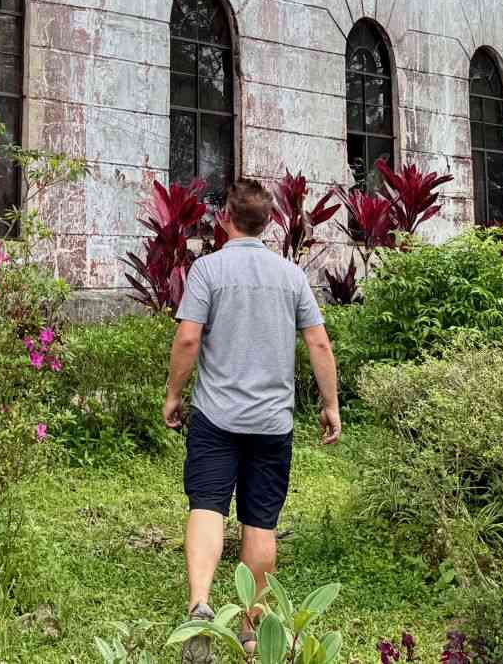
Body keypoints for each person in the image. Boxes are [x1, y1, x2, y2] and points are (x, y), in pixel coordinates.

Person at [162, 177, 341, 660]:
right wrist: (330, 405)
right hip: (271, 423)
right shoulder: (291, 276)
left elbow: (188, 339)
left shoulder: (208, 270)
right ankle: (250, 627)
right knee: (261, 521)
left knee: (207, 505)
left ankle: (200, 607)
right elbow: (319, 342)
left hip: (216, 417)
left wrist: (174, 394)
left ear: (225, 219)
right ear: (269, 223)